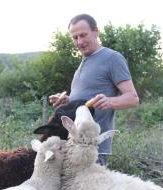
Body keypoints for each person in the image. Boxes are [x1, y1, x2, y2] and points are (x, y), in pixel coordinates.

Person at [49, 14, 139, 165]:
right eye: (75, 37)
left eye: (83, 35)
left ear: (96, 31)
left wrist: (109, 101)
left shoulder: (112, 58)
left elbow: (133, 98)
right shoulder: (84, 61)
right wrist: (67, 100)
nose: (80, 42)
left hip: (92, 149)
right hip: (73, 145)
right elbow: (84, 99)